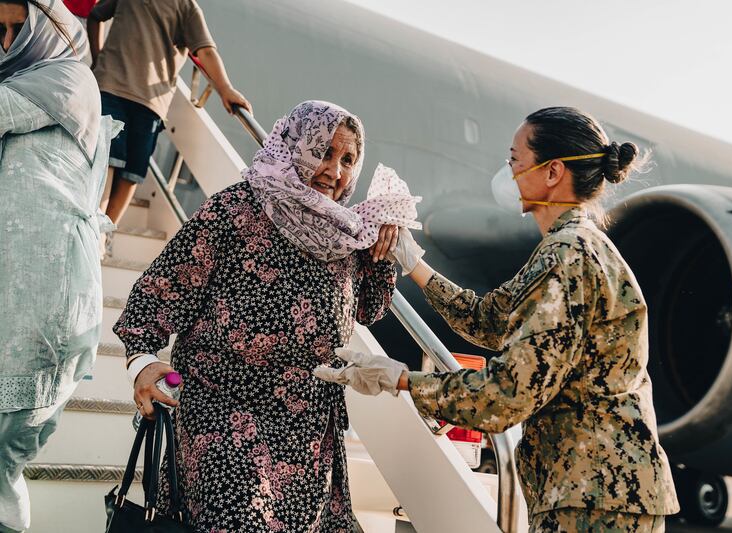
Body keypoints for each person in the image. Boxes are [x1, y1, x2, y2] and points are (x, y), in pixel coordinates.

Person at [315, 107, 681, 532]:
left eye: (515, 160)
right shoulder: (572, 248)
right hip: (600, 491)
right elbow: (490, 320)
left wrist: (399, 380)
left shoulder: (566, 258)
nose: (508, 171)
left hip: (593, 495)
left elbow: (505, 395)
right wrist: (414, 263)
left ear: (552, 172)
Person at [113, 100, 422, 532]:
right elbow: (157, 292)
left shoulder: (347, 232)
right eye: (323, 152)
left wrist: (382, 247)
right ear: (296, 147)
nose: (335, 171)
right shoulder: (237, 209)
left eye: (348, 159)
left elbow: (369, 310)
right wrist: (143, 363)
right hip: (223, 410)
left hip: (307, 431)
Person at [0, 1, 119, 531]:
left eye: (15, 27)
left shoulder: (68, 79)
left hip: (46, 292)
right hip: (15, 284)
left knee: (4, 454)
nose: (5, 41)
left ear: (46, 28)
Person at [87, 0, 251, 226]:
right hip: (111, 87)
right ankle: (92, 234)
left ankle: (102, 235)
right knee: (107, 160)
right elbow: (96, 16)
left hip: (151, 102)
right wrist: (98, 60)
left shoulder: (187, 8)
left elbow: (205, 51)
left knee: (132, 174)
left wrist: (225, 88)